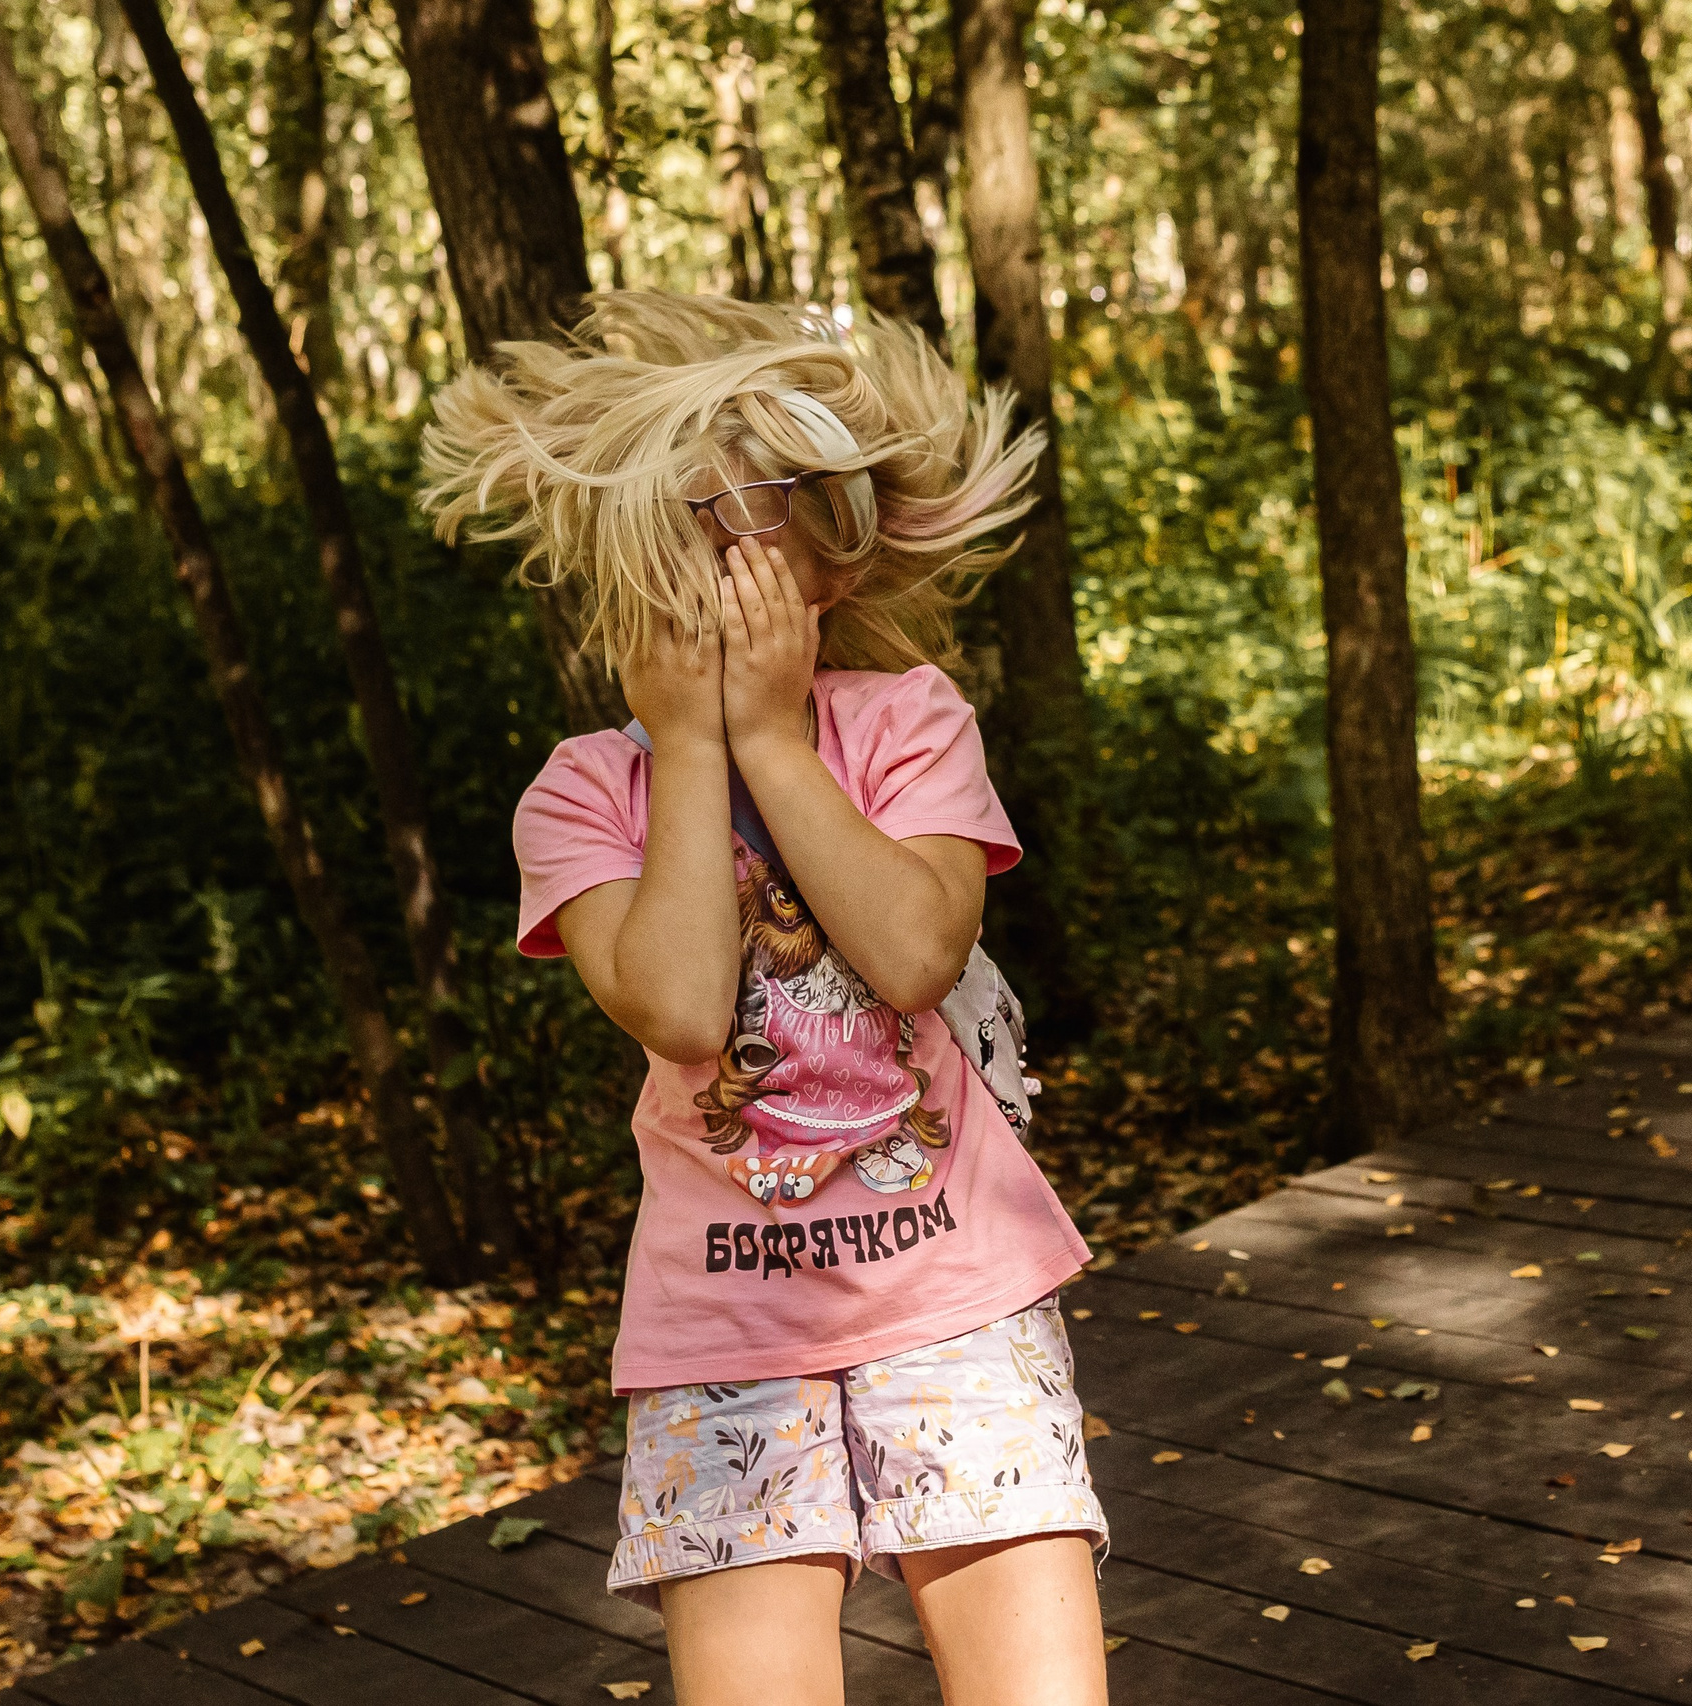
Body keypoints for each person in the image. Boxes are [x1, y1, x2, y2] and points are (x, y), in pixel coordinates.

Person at [421, 293, 1108, 1706]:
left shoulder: (907, 721)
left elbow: (915, 952)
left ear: (831, 560)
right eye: (687, 523)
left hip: (956, 1298)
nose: (723, 555)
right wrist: (688, 744)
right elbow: (677, 1008)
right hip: (724, 1336)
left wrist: (774, 744)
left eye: (761, 515)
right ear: (626, 564)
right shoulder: (585, 791)